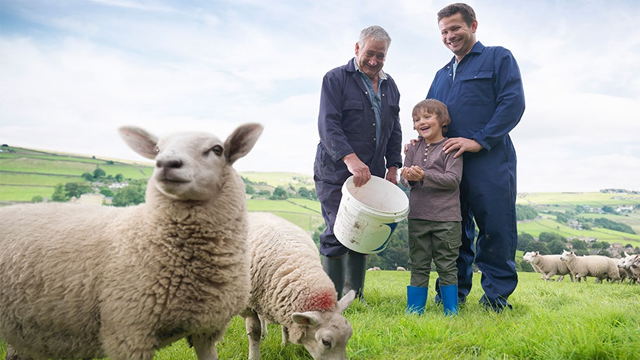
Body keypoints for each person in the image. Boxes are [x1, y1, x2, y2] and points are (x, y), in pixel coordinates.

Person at [425, 3, 526, 312]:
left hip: (490, 161)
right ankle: (451, 297)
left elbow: (513, 103)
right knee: (452, 233)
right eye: (444, 31)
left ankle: (495, 300)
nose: (450, 35)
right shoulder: (441, 74)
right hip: (449, 164)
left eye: (455, 28)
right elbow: (429, 114)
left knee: (495, 228)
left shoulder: (498, 57)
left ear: (473, 25)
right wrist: (421, 143)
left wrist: (479, 141)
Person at [314, 25, 403, 300]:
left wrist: (392, 166)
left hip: (373, 175)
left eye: (381, 55)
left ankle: (356, 295)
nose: (374, 61)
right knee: (337, 230)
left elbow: (394, 128)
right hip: (336, 170)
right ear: (357, 48)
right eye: (369, 53)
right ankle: (331, 298)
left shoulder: (391, 87)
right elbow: (328, 124)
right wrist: (350, 159)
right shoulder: (336, 79)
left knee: (363, 232)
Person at [401, 99, 462, 316]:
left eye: (427, 117)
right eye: (417, 119)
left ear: (442, 120)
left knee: (446, 265)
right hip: (418, 216)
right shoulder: (412, 148)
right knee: (418, 264)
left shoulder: (451, 147)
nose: (421, 122)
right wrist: (407, 177)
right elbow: (406, 180)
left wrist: (425, 175)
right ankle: (414, 311)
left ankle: (451, 312)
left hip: (447, 219)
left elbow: (453, 179)